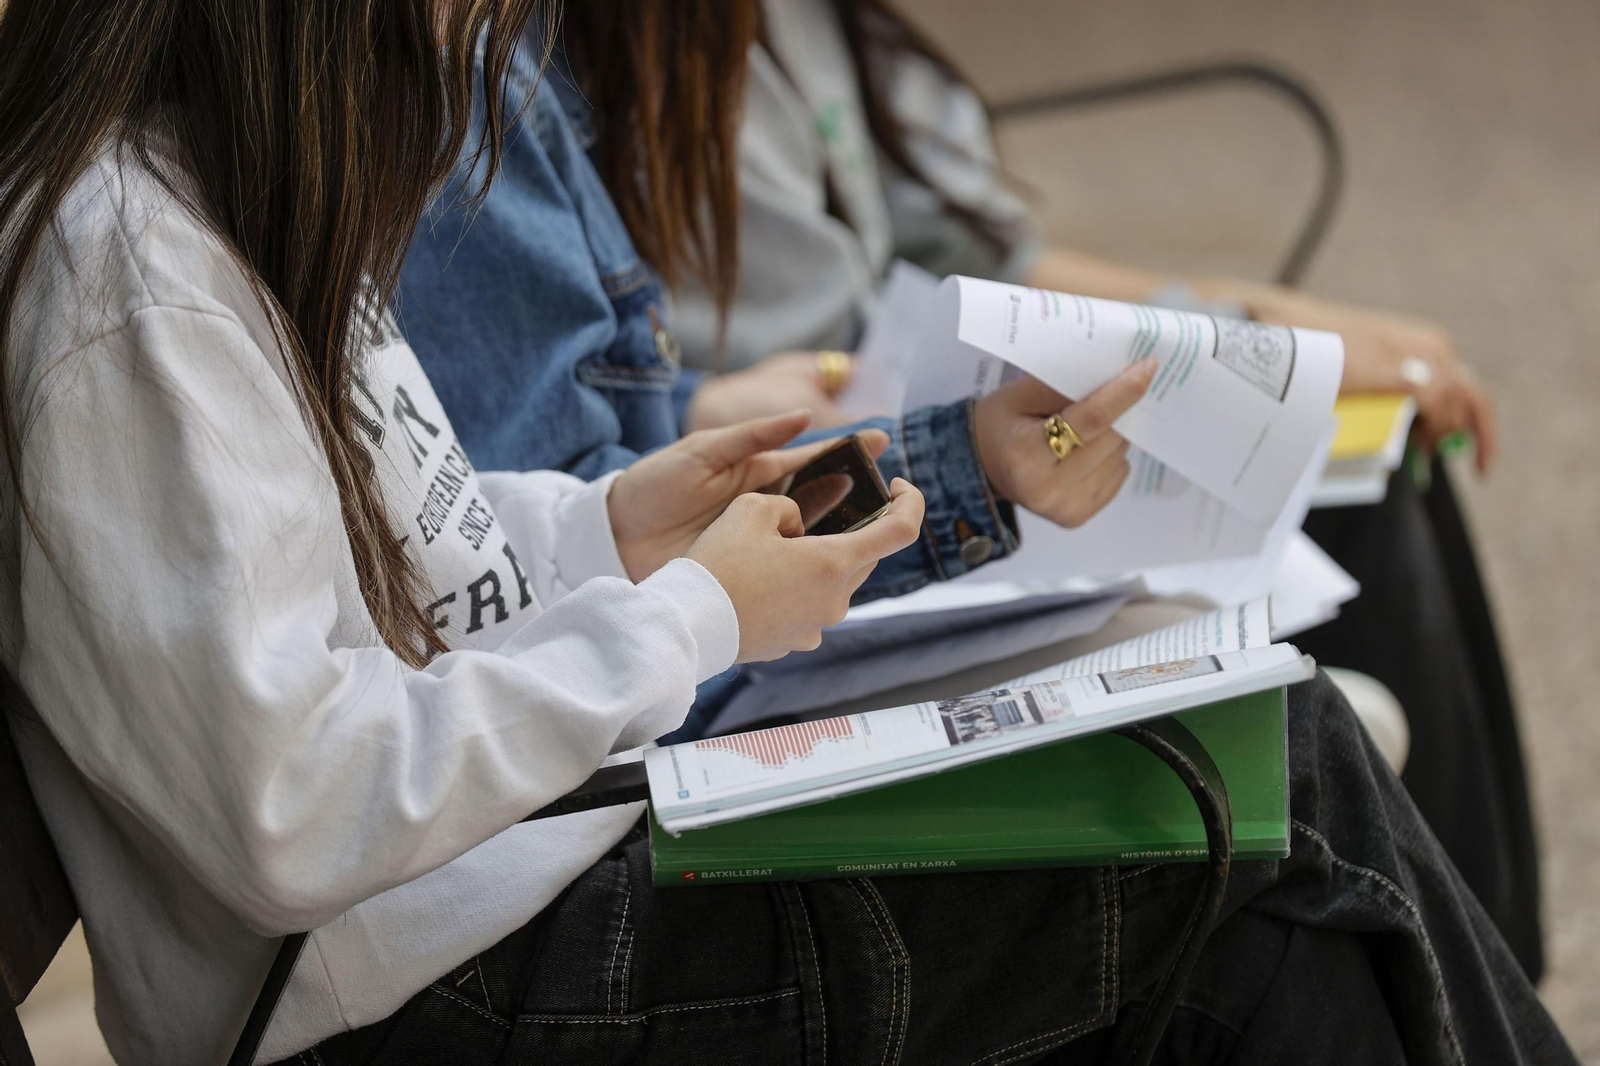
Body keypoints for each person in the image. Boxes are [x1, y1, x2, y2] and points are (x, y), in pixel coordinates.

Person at [0, 3, 1575, 1065]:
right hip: (437, 994)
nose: (483, 33)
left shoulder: (226, 209)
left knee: (1262, 831)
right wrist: (687, 611)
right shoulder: (131, 283)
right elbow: (290, 805)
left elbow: (414, 580)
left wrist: (626, 523)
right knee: (1276, 784)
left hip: (519, 890)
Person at [651, 0, 1544, 979]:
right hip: (827, 518)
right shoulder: (588, 64)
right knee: (1320, 619)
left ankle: (1488, 975)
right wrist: (697, 403)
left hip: (923, 443)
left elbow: (969, 244)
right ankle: (1460, 985)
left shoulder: (802, 27)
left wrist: (1250, 320)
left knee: (1370, 447)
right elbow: (581, 450)